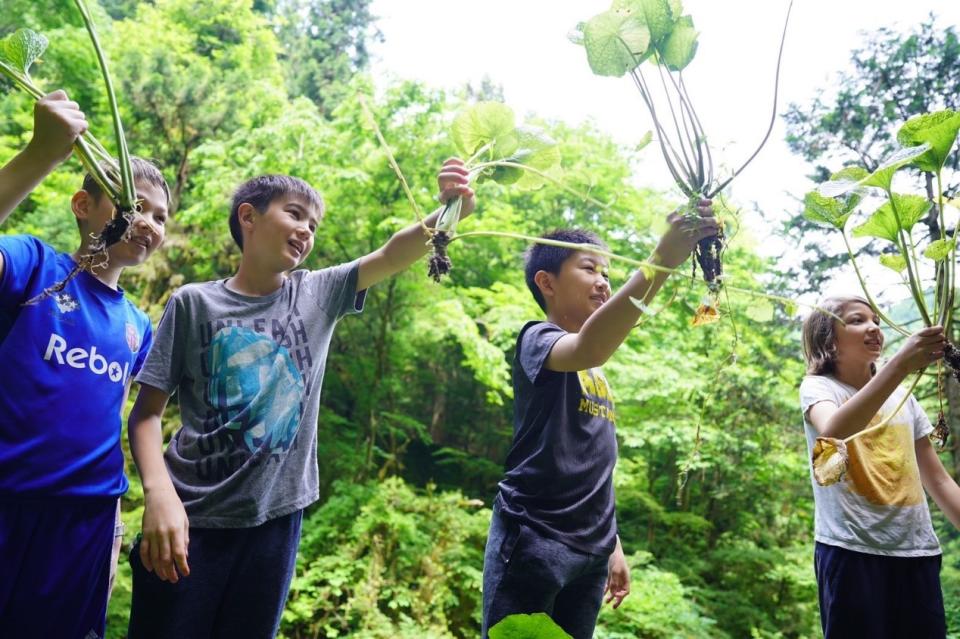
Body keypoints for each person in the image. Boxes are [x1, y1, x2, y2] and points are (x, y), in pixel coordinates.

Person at [125, 161, 475, 638]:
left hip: (274, 523)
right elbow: (146, 414)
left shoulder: (317, 293)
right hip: (190, 516)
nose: (306, 230)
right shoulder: (193, 303)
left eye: (313, 224)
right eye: (294, 215)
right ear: (248, 217)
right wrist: (158, 495)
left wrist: (448, 209)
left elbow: (393, 254)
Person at [482, 201, 719, 639]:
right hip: (535, 537)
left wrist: (613, 546)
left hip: (591, 552)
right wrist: (662, 260)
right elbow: (590, 346)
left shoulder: (596, 369)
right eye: (589, 269)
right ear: (546, 282)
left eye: (607, 273)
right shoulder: (538, 339)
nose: (603, 281)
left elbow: (593, 464)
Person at [0, 91, 171, 638]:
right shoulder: (32, 266)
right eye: (136, 204)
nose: (149, 222)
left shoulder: (139, 327)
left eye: (161, 216)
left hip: (87, 523)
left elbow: (137, 418)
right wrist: (41, 153)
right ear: (83, 206)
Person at [800, 295, 960, 638]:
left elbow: (939, 480)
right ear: (827, 338)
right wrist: (900, 364)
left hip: (917, 551)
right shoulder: (819, 389)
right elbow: (832, 432)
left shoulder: (905, 397)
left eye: (876, 320)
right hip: (850, 552)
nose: (873, 327)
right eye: (857, 320)